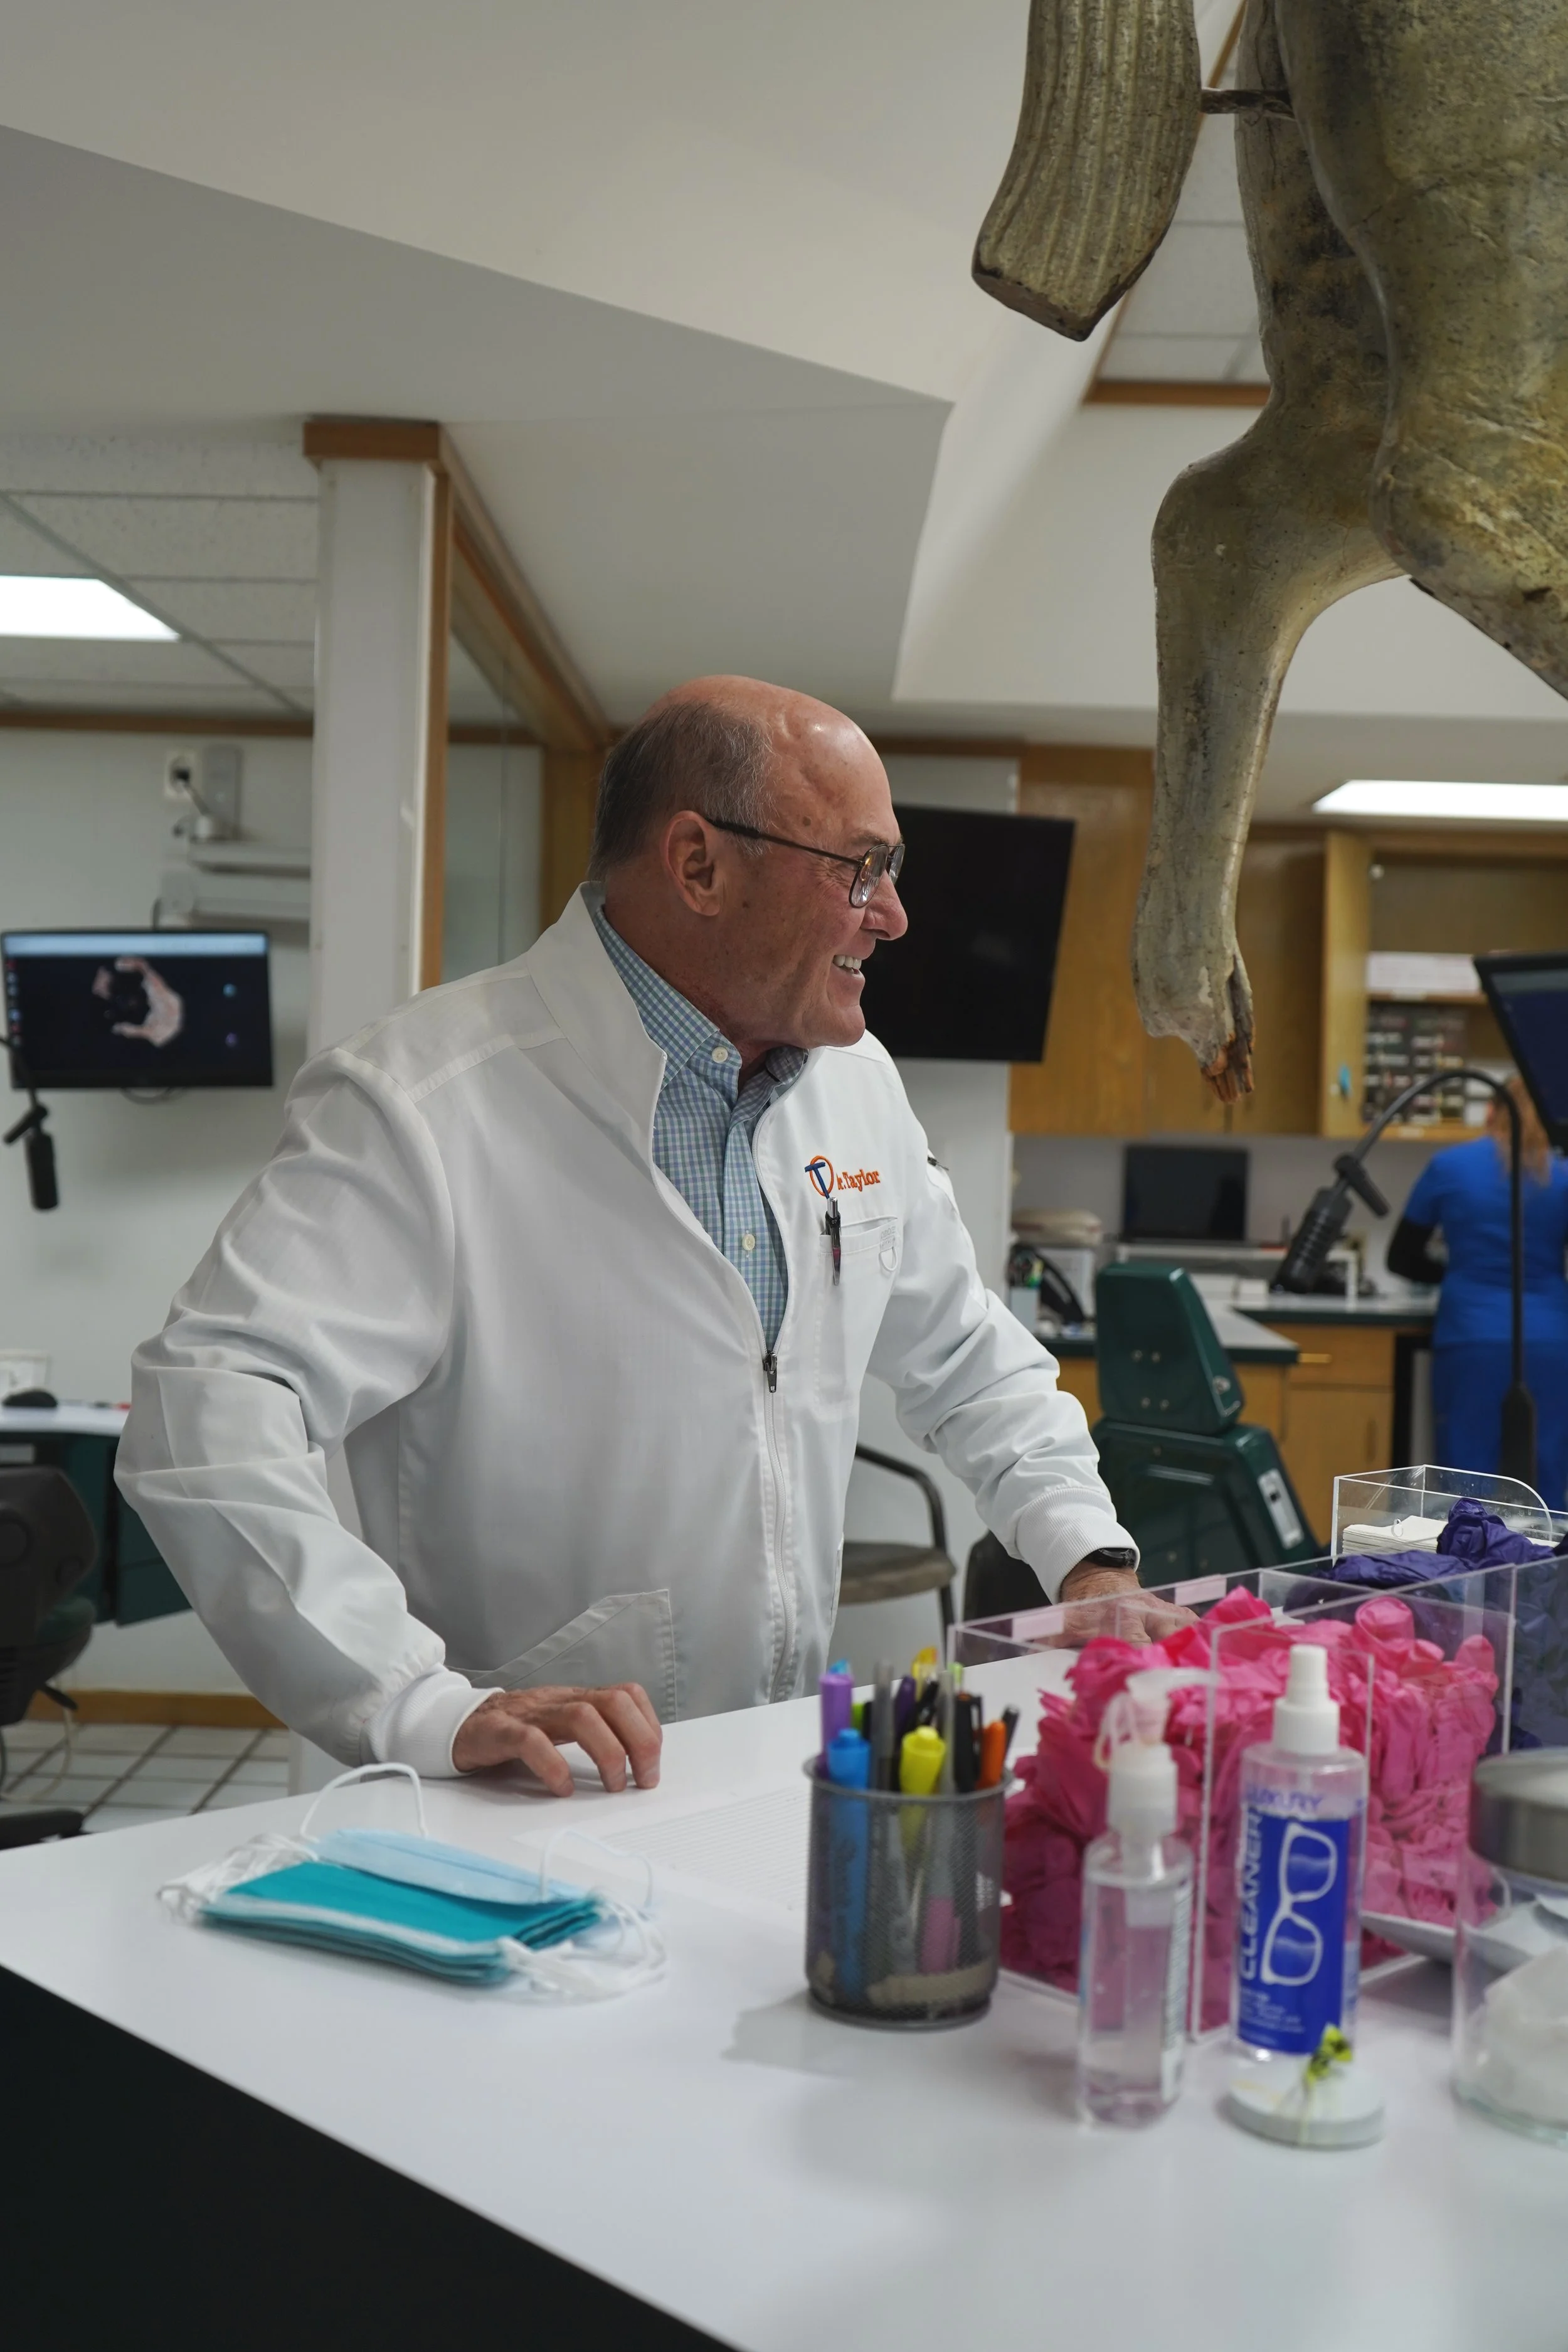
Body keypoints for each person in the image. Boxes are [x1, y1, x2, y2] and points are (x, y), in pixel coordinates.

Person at [117, 677, 1149, 1799]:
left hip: (766, 1763)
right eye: (859, 866)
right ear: (698, 863)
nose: (892, 913)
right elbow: (204, 1401)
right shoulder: (421, 1099)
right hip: (523, 1795)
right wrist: (418, 1699)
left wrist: (1087, 1557)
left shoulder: (856, 1087)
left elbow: (963, 1352)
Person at [1387, 1078, 1568, 1506]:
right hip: (1550, 1342)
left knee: (1466, 1480)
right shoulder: (1561, 1174)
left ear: (1489, 1111)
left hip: (1470, 1337)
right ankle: (1549, 1572)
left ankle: (1469, 1568)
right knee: (1548, 1477)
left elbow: (1401, 1257)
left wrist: (1456, 1274)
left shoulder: (1450, 1166)